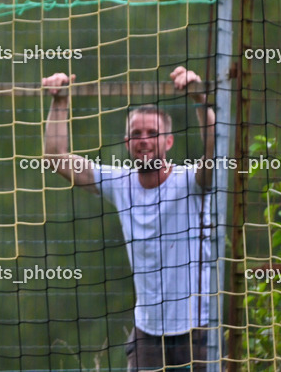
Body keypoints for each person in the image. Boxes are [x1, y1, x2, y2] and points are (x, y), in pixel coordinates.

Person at [42, 67, 216, 372]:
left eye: (153, 133)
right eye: (137, 134)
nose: (144, 140)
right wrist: (60, 102)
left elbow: (217, 152)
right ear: (127, 143)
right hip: (147, 332)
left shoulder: (191, 181)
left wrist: (200, 99)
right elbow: (56, 157)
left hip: (198, 328)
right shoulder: (120, 181)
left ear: (169, 142)